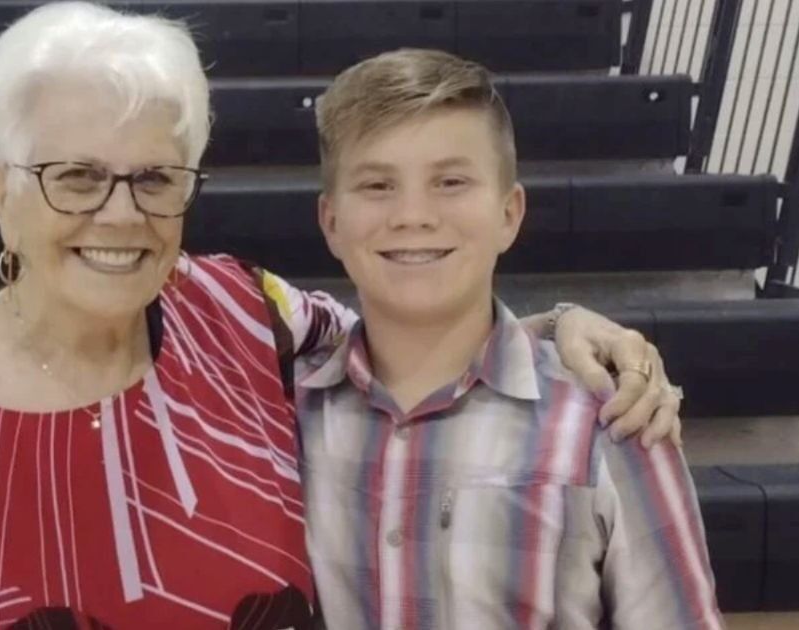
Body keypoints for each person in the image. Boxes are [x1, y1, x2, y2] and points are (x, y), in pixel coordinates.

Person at [0, 3, 683, 629]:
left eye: (155, 177)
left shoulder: (242, 314)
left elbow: (418, 328)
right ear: (2, 190)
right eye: (75, 175)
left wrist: (565, 326)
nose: (118, 213)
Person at [298, 48, 721, 629]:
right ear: (330, 223)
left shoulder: (612, 424)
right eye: (377, 185)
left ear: (509, 213)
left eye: (450, 181)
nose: (413, 214)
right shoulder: (282, 416)